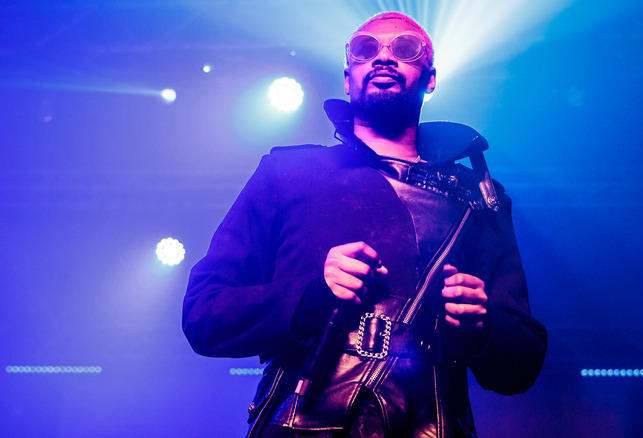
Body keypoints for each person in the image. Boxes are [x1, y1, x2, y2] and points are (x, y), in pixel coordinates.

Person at [183, 11, 547, 438]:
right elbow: (204, 313)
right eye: (366, 49)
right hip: (302, 425)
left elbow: (523, 363)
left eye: (406, 50)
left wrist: (483, 324)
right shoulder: (288, 171)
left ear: (430, 78)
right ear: (347, 76)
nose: (384, 58)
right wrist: (310, 294)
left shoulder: (478, 198)